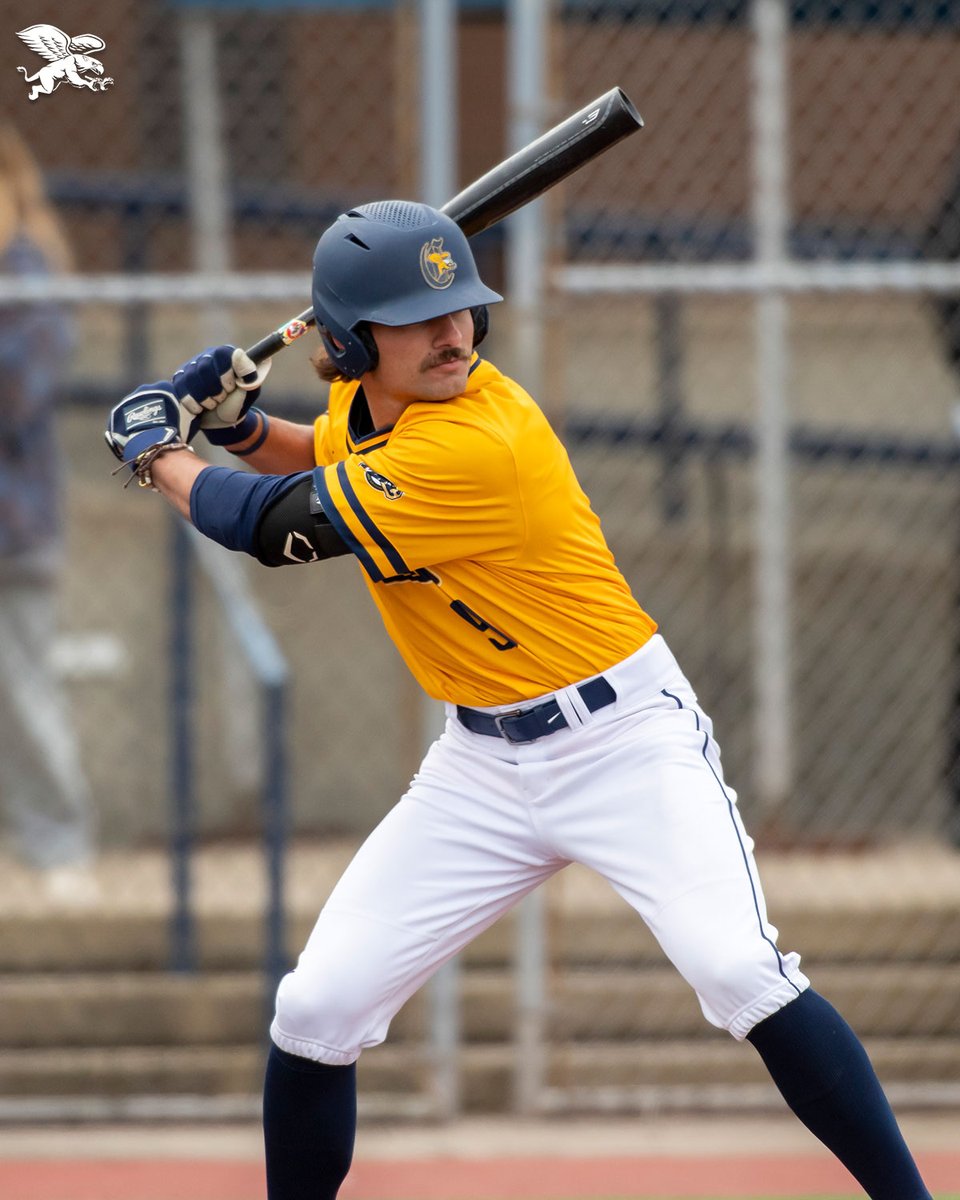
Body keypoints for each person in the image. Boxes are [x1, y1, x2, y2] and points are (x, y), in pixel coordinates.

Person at [106, 201, 932, 1199]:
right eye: (419, 317)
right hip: (482, 767)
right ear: (349, 344)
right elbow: (325, 458)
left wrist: (158, 449)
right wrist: (237, 426)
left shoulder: (480, 438)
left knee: (739, 973)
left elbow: (273, 529)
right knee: (317, 1009)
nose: (453, 333)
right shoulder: (376, 414)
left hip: (623, 740)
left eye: (461, 308)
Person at [0, 122, 98, 903]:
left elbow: (15, 394)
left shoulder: (28, 275)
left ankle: (59, 845)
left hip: (13, 531)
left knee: (23, 693)